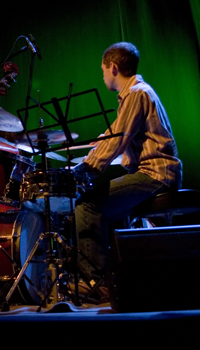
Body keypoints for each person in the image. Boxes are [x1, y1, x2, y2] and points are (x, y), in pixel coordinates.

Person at [73, 42, 182, 294]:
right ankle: (121, 278)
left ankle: (93, 283)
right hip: (155, 173)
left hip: (156, 175)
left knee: (87, 205)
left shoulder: (136, 94)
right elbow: (114, 134)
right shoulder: (136, 94)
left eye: (102, 70)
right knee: (101, 210)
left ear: (113, 68)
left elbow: (117, 140)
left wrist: (86, 167)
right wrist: (97, 146)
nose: (102, 76)